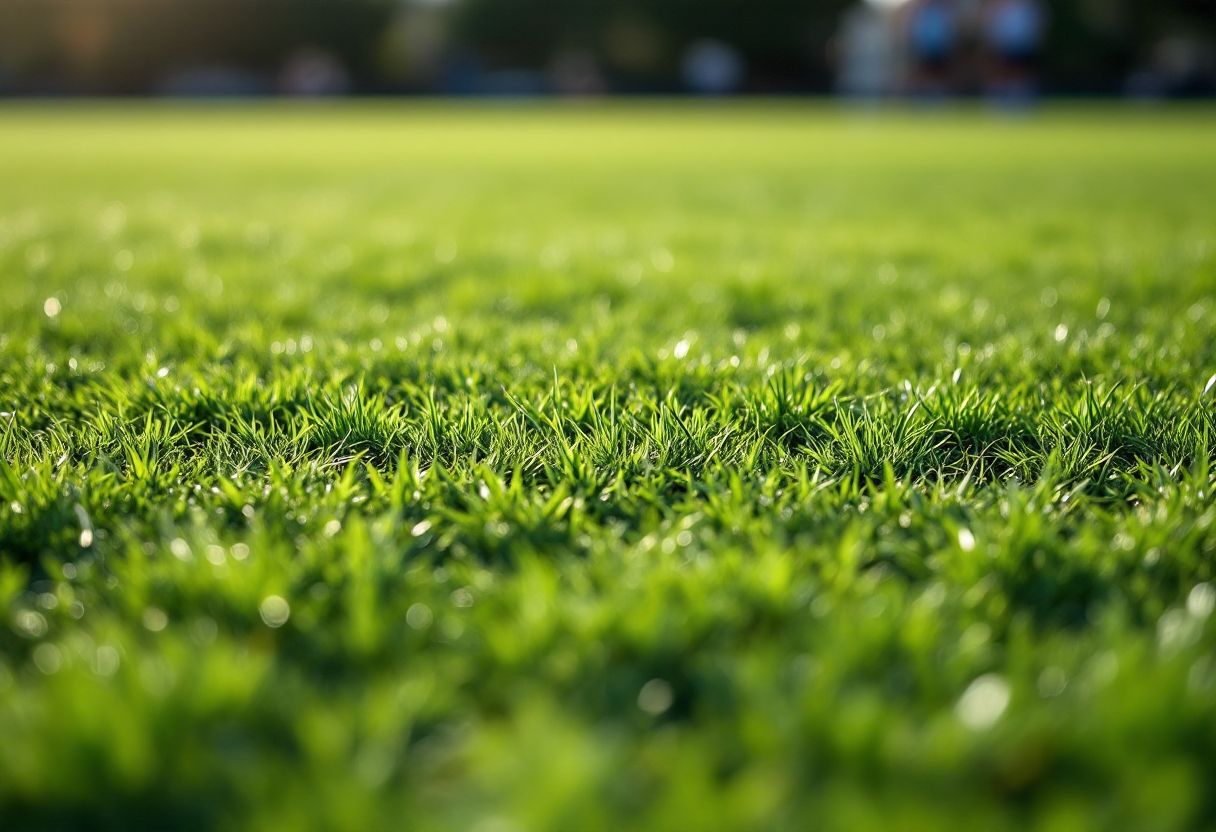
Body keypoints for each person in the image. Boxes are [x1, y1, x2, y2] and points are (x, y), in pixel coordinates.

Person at [983, 0, 1043, 104]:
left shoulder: (1028, 5)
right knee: (1002, 74)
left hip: (1023, 44)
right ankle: (999, 102)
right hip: (1004, 44)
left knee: (1021, 74)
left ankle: (1022, 100)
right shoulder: (998, 4)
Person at [904, 0, 959, 97]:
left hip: (942, 47)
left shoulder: (946, 8)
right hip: (924, 47)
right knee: (924, 75)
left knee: (942, 75)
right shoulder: (920, 8)